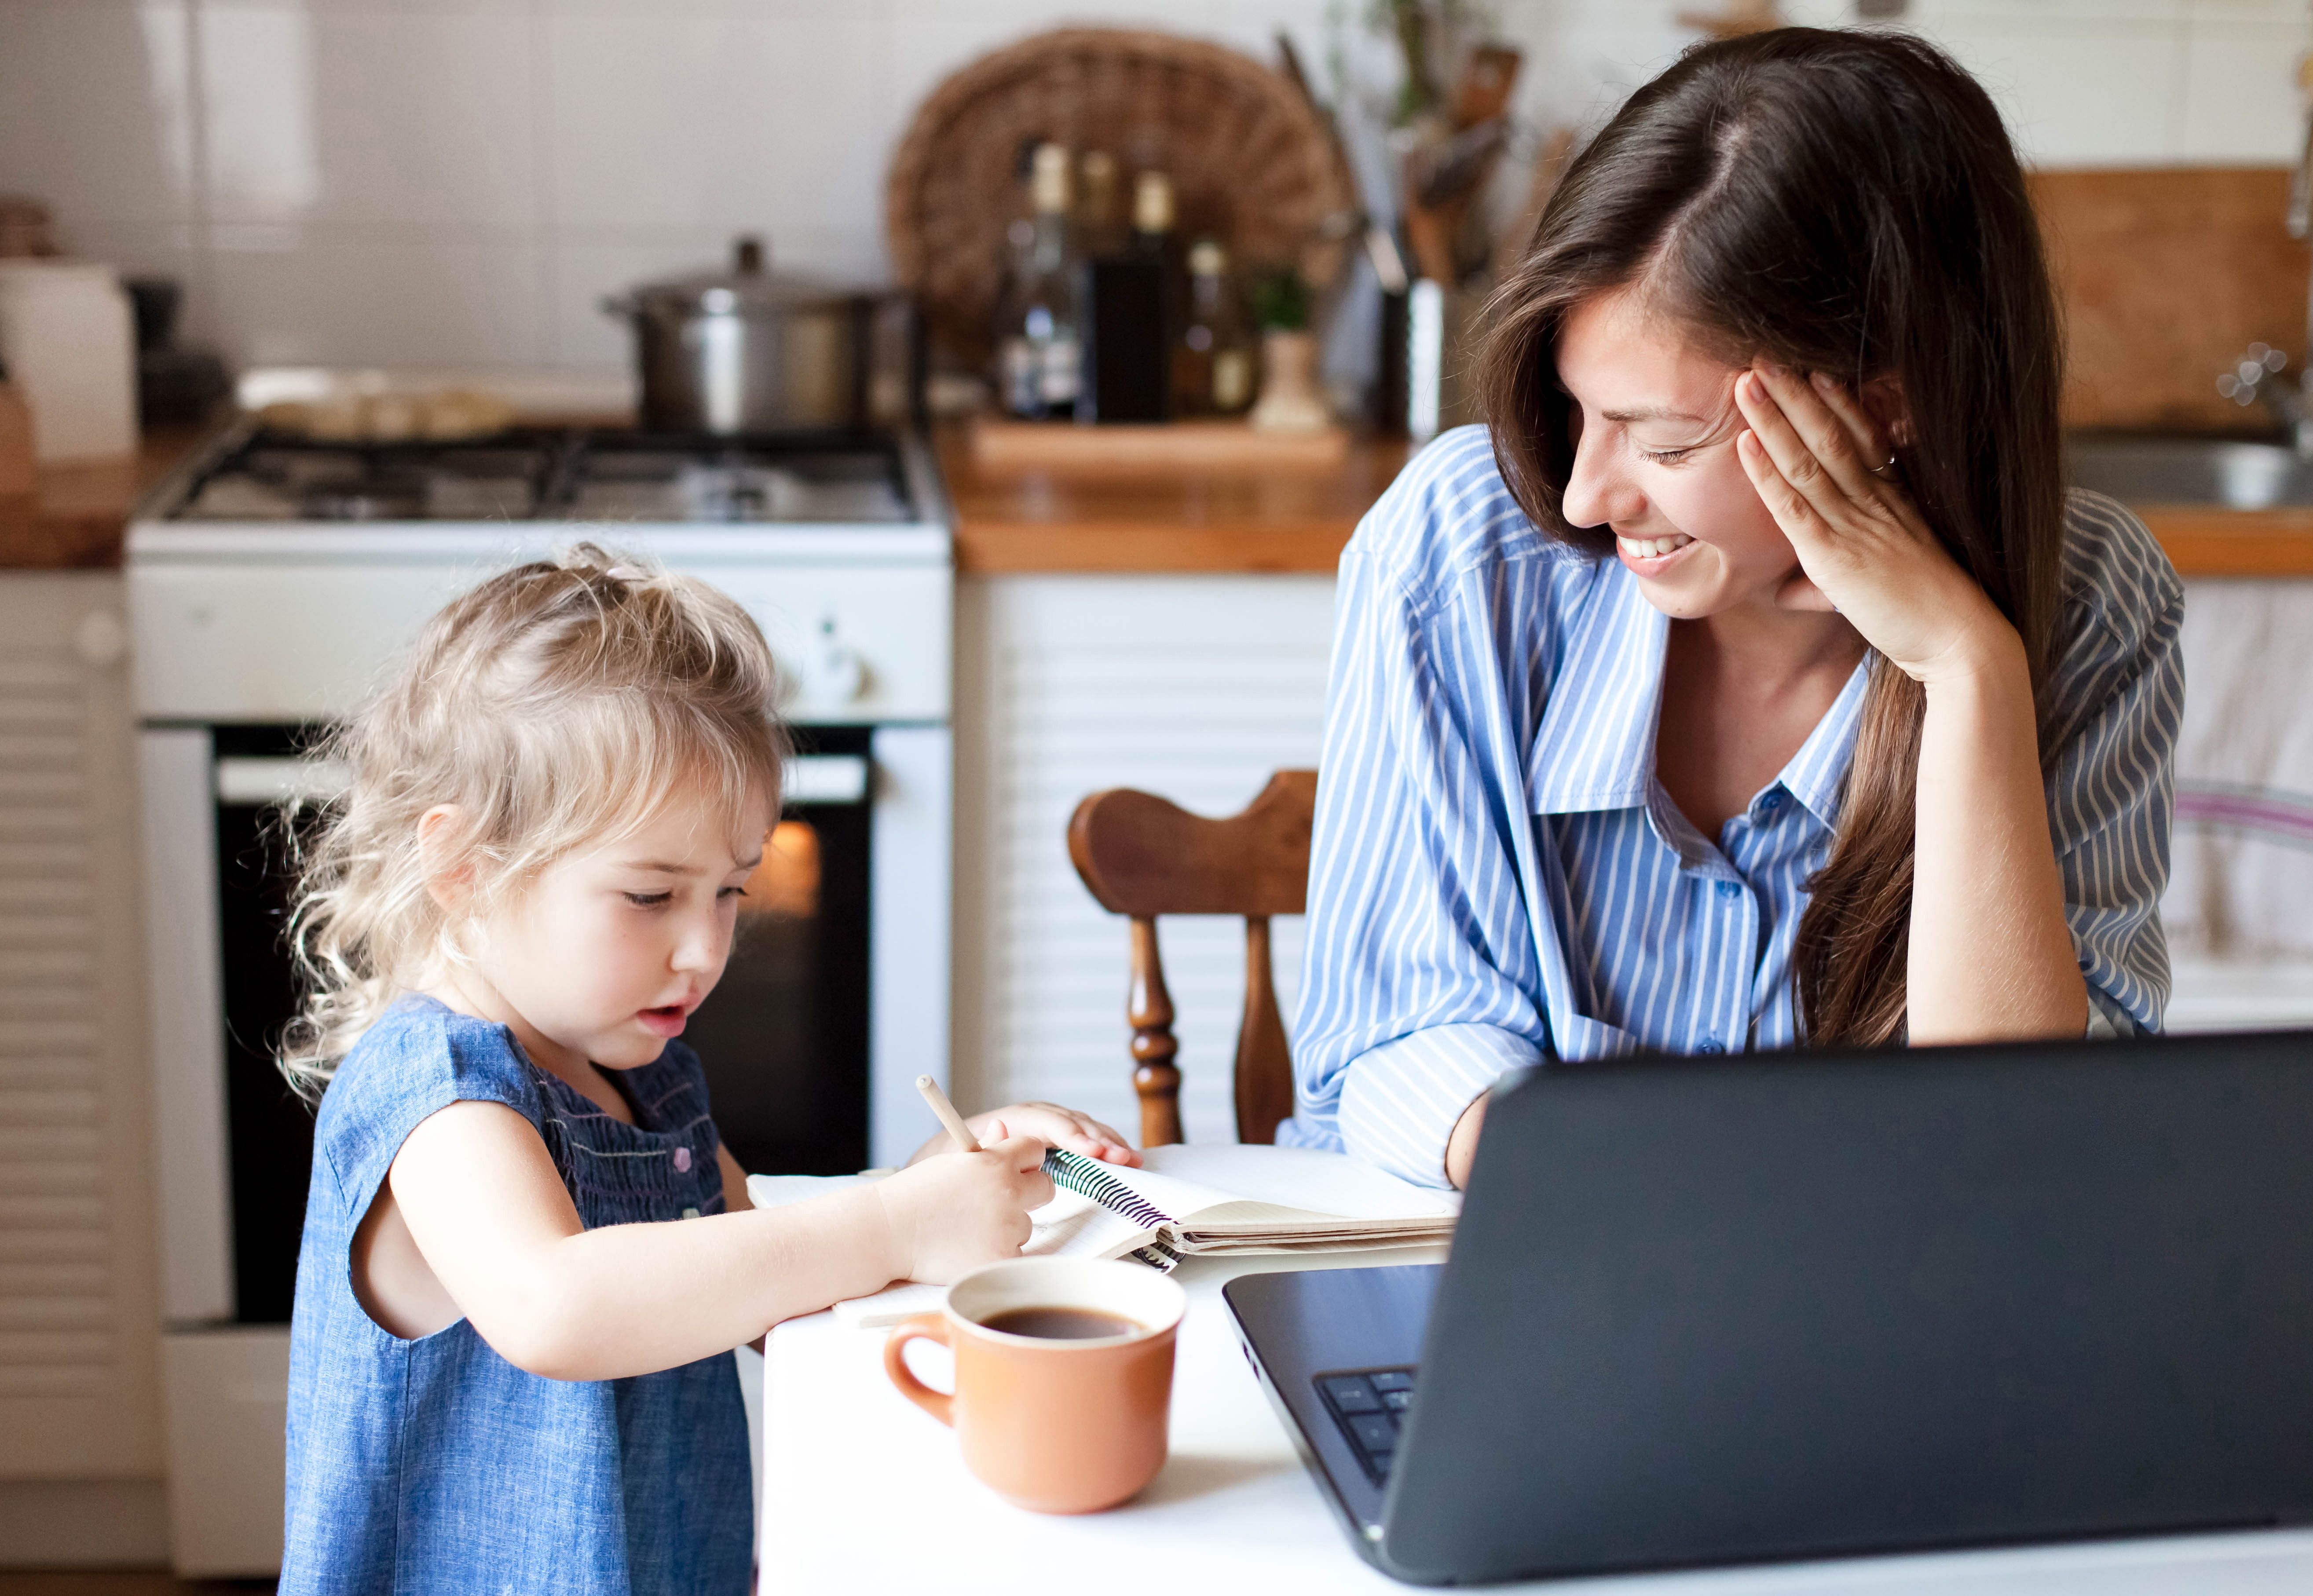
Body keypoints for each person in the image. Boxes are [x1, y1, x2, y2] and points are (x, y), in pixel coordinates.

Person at [1283, 29, 2182, 1190]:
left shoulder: (2096, 603)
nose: (1585, 493)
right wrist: (1697, 1199)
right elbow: (1398, 1041)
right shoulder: (1462, 547)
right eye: (1578, 412)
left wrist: (1967, 673)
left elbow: (2035, 1148)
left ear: (1882, 408)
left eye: (1662, 440)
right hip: (1468, 1266)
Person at [274, 546, 1138, 1594]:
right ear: (466, 868)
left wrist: (927, 1194)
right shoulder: (438, 1091)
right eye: (650, 897)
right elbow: (560, 1309)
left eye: (731, 890)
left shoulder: (648, 1078)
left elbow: (760, 1281)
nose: (705, 949)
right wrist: (896, 1226)